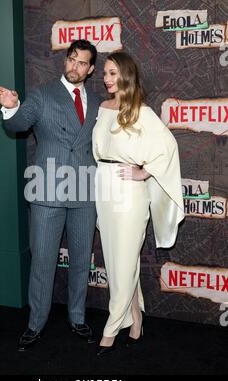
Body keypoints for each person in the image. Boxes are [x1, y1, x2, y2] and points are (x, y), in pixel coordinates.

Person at [0, 40, 101, 351]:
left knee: (81, 260)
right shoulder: (42, 95)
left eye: (82, 63)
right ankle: (35, 324)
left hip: (83, 190)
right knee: (42, 261)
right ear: (65, 61)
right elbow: (18, 124)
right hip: (47, 191)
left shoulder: (96, 101)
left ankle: (77, 318)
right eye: (71, 59)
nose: (75, 66)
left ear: (91, 69)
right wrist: (11, 105)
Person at [92, 52, 185, 356]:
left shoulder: (140, 111)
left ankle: (111, 327)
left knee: (123, 259)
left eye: (113, 73)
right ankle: (136, 318)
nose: (107, 79)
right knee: (119, 262)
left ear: (126, 75)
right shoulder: (104, 108)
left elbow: (167, 147)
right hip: (104, 190)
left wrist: (143, 171)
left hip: (130, 194)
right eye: (105, 73)